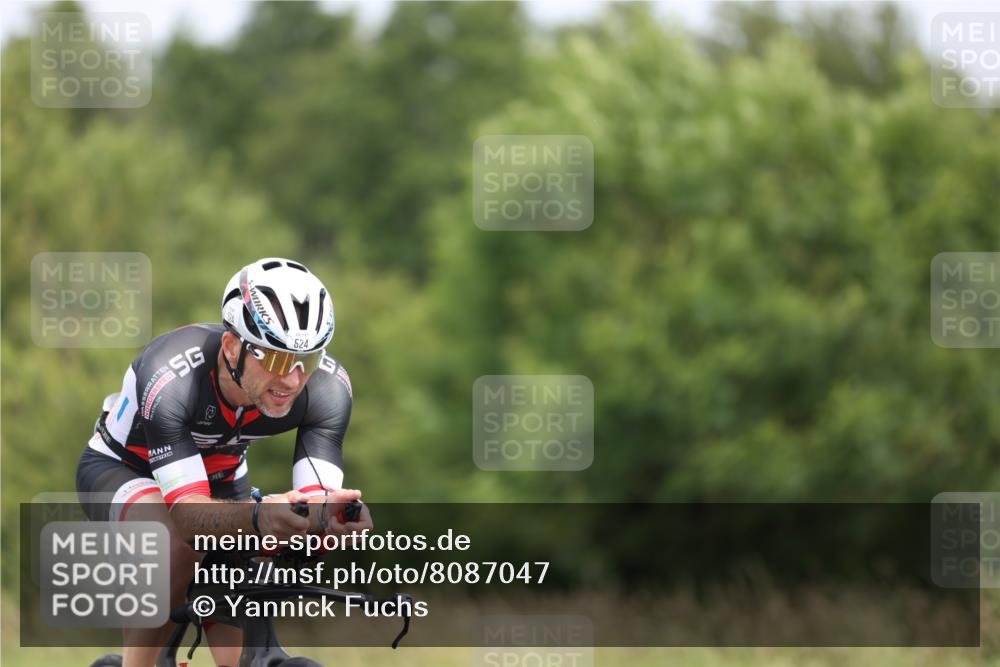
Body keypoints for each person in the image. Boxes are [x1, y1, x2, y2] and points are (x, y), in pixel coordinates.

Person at [75, 257, 372, 667]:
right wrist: (258, 517)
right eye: (277, 359)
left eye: (309, 360)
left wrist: (330, 520)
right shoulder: (172, 375)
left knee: (256, 553)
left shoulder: (326, 389)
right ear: (233, 347)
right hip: (123, 470)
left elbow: (315, 497)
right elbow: (187, 518)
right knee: (180, 542)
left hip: (221, 477)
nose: (292, 380)